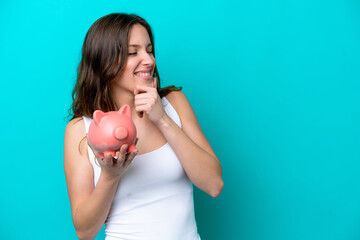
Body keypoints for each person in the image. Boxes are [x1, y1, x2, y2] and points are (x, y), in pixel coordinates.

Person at [64, 13, 223, 240]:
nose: (148, 60)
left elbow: (214, 184)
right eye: (132, 52)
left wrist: (162, 120)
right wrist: (110, 176)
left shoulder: (174, 104)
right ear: (104, 61)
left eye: (149, 50)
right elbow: (84, 231)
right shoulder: (82, 130)